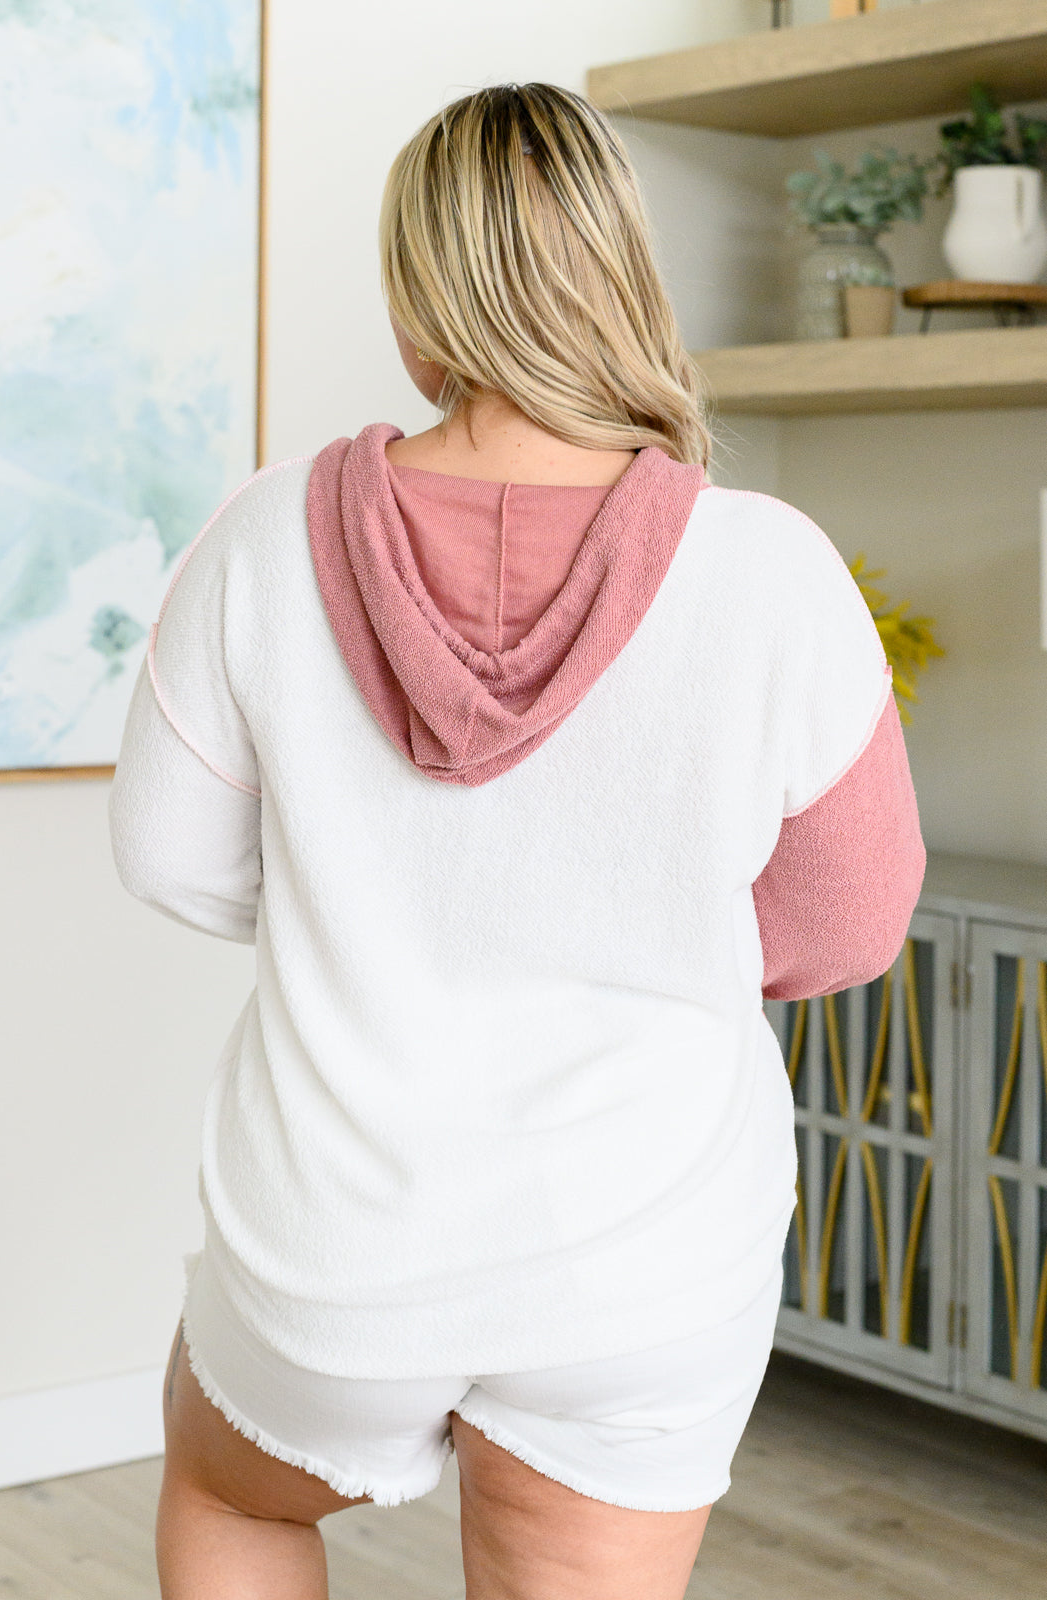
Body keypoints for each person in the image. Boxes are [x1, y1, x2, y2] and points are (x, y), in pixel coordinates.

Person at [108, 81, 925, 1600]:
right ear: (618, 278)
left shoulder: (259, 538)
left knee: (236, 1504)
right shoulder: (771, 570)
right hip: (639, 1248)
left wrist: (370, 902)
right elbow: (849, 927)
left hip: (330, 1243)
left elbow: (166, 854)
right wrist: (639, 911)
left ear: (423, 303)